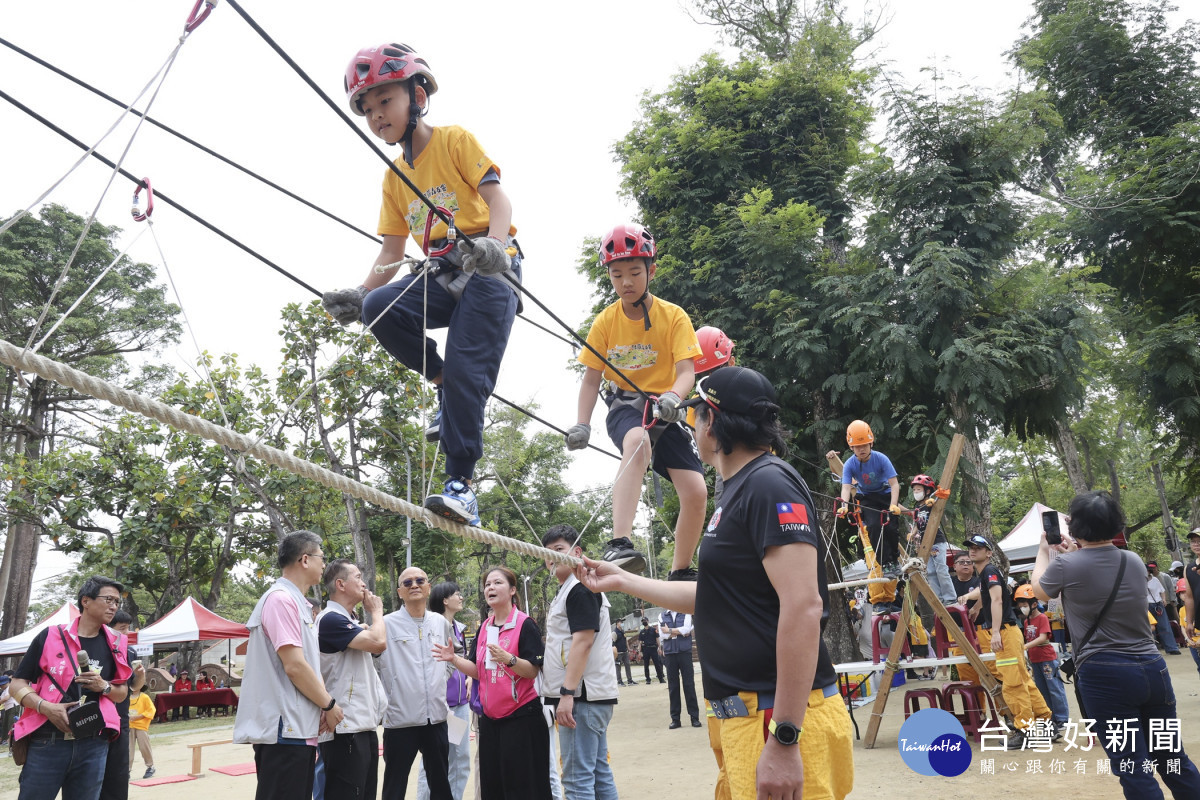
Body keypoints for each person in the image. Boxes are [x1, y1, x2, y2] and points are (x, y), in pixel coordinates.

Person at [577, 366, 854, 800]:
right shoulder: (738, 490)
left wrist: (784, 738)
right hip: (741, 716)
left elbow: (803, 606)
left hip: (773, 718)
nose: (691, 427)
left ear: (715, 421)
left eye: (695, 415)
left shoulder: (768, 483)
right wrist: (624, 581)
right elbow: (714, 596)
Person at [322, 43, 521, 529]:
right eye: (367, 109)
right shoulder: (395, 178)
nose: (376, 115)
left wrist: (494, 245)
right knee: (380, 308)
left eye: (384, 101)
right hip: (439, 270)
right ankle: (440, 379)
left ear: (417, 95)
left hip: (490, 269)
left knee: (470, 368)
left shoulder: (454, 141)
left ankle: (461, 485)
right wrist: (360, 292)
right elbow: (392, 253)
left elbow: (500, 202)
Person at [1034, 491, 1200, 798]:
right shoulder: (1133, 560)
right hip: (1153, 668)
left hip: (1104, 674)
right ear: (1117, 525)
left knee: (1132, 765)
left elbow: (1040, 591)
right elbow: (1097, 567)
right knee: (1171, 757)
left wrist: (1045, 551)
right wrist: (1077, 548)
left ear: (1074, 528)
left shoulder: (1065, 565)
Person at [564, 223, 704, 579]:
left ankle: (682, 569)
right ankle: (620, 542)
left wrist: (674, 395)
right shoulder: (605, 322)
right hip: (626, 408)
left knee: (696, 490)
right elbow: (591, 378)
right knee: (637, 440)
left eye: (635, 273)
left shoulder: (673, 316)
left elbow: (687, 371)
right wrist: (582, 423)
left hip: (666, 410)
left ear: (651, 271)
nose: (626, 282)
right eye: (617, 275)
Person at [233, 531, 345, 800]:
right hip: (283, 731)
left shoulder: (298, 603)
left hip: (298, 729)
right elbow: (294, 666)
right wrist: (329, 704)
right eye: (321, 557)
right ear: (304, 560)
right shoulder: (281, 599)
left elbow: (306, 664)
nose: (323, 564)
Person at [9, 576, 132, 800]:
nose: (114, 606)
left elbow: (121, 692)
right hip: (48, 741)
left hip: (94, 742)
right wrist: (45, 707)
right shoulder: (50, 636)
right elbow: (16, 684)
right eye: (108, 599)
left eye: (117, 602)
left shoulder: (117, 643)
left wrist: (103, 686)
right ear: (86, 601)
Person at [432, 567, 550, 799]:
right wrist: (453, 658)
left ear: (513, 590)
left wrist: (510, 659)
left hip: (522, 718)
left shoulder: (525, 624)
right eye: (487, 584)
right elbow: (478, 672)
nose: (490, 588)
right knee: (493, 786)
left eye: (497, 583)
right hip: (490, 721)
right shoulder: (485, 627)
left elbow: (533, 671)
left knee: (523, 787)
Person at [541, 524, 620, 800]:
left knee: (577, 780)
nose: (553, 557)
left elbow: (583, 641)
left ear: (576, 552)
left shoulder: (579, 589)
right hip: (591, 696)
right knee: (598, 774)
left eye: (559, 550)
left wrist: (567, 694)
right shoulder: (570, 590)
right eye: (548, 553)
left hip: (582, 698)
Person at [956, 534, 1051, 748]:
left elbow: (997, 599)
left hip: (1005, 632)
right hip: (1009, 632)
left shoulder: (989, 571)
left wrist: (996, 631)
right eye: (970, 547)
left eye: (978, 548)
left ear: (989, 553)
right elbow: (985, 595)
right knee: (1023, 679)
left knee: (1012, 684)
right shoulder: (986, 575)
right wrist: (976, 607)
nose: (972, 550)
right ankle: (1043, 722)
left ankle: (1026, 731)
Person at [377, 566, 456, 800]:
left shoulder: (440, 623)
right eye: (408, 582)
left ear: (428, 587)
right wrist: (388, 692)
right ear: (400, 591)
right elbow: (372, 664)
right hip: (400, 721)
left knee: (441, 783)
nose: (414, 585)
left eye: (420, 580)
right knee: (395, 784)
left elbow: (451, 657)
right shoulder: (386, 624)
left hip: (437, 719)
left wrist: (440, 678)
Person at [316, 559, 388, 800]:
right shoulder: (330, 619)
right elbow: (379, 642)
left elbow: (376, 647)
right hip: (345, 726)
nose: (364, 583)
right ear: (340, 584)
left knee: (365, 793)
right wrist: (377, 612)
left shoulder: (348, 620)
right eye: (357, 577)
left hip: (362, 724)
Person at [418, 582, 471, 800]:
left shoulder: (459, 629)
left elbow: (462, 660)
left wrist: (469, 677)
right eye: (456, 595)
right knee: (433, 762)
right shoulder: (429, 626)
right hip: (439, 707)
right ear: (444, 600)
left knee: (461, 759)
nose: (461, 598)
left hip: (461, 706)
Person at [100, 609, 146, 800]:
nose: (126, 634)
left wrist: (142, 675)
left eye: (127, 629)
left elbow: (134, 686)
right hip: (101, 716)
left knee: (118, 768)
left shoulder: (130, 650)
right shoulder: (99, 649)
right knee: (96, 767)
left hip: (121, 716)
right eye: (122, 629)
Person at [1013, 585, 1068, 735]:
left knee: (1054, 688)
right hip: (1035, 659)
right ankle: (1050, 718)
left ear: (1034, 604)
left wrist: (1024, 647)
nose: (1022, 608)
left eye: (1024, 605)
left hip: (1047, 658)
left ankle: (1062, 719)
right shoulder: (1026, 622)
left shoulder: (1042, 618)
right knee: (1042, 690)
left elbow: (1043, 637)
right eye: (1020, 606)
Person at [907, 474, 956, 605]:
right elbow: (917, 523)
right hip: (924, 543)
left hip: (936, 540)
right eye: (914, 490)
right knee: (930, 572)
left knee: (941, 569)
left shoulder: (931, 503)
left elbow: (938, 505)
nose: (916, 492)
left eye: (918, 490)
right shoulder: (917, 508)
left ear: (927, 491)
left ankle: (950, 598)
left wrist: (932, 502)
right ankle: (939, 599)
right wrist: (912, 533)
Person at [659, 610, 701, 729]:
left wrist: (670, 631)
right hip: (670, 653)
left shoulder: (685, 613)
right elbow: (662, 635)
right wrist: (679, 632)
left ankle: (694, 717)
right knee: (673, 686)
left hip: (684, 652)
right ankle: (675, 719)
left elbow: (687, 629)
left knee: (689, 684)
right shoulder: (661, 615)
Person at [1146, 561, 1182, 655]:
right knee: (1150, 628)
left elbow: (1162, 590)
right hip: (1147, 605)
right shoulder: (1138, 581)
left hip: (1158, 604)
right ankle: (1153, 649)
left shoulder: (1156, 579)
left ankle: (1171, 647)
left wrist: (1164, 599)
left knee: (1165, 626)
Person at [127, 684, 156, 780]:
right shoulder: (126, 697)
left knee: (144, 747)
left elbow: (151, 710)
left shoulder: (144, 697)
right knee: (128, 749)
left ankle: (150, 766)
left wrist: (138, 717)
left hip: (141, 725)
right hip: (129, 726)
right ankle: (127, 770)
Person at [637, 617, 665, 685]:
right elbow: (640, 642)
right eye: (643, 621)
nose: (644, 622)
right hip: (646, 649)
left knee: (657, 664)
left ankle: (661, 678)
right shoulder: (642, 632)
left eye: (645, 620)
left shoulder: (653, 630)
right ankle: (648, 679)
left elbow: (657, 639)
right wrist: (639, 651)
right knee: (646, 665)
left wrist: (660, 648)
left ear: (648, 621)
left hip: (653, 649)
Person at [612, 622, 632, 687]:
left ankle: (630, 680)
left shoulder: (623, 631)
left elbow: (625, 640)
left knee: (627, 665)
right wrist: (615, 652)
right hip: (618, 652)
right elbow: (613, 643)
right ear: (617, 623)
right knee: (618, 667)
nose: (622, 623)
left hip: (625, 651)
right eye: (621, 622)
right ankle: (619, 681)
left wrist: (628, 648)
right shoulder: (614, 632)